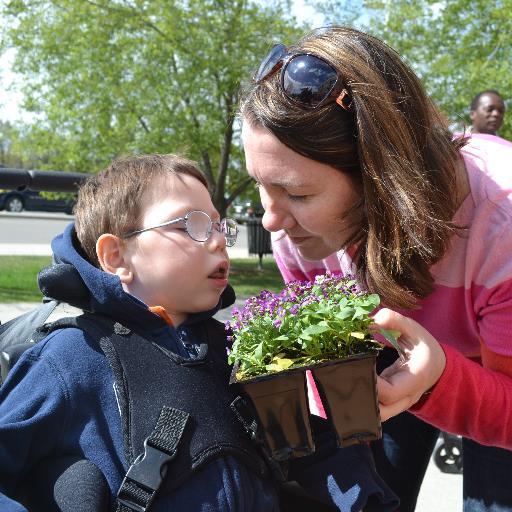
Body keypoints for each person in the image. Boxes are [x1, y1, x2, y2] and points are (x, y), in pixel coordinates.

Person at [0, 154, 398, 511]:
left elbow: (313, 447)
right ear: (116, 256)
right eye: (193, 224)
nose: (221, 240)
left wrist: (364, 498)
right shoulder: (72, 358)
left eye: (220, 225)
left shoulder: (239, 349)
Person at [239, 25, 512, 512]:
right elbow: (328, 353)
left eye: (298, 194)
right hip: (397, 355)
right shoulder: (297, 230)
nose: (271, 220)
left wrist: (439, 378)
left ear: (383, 181)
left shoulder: (502, 225)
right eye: (260, 183)